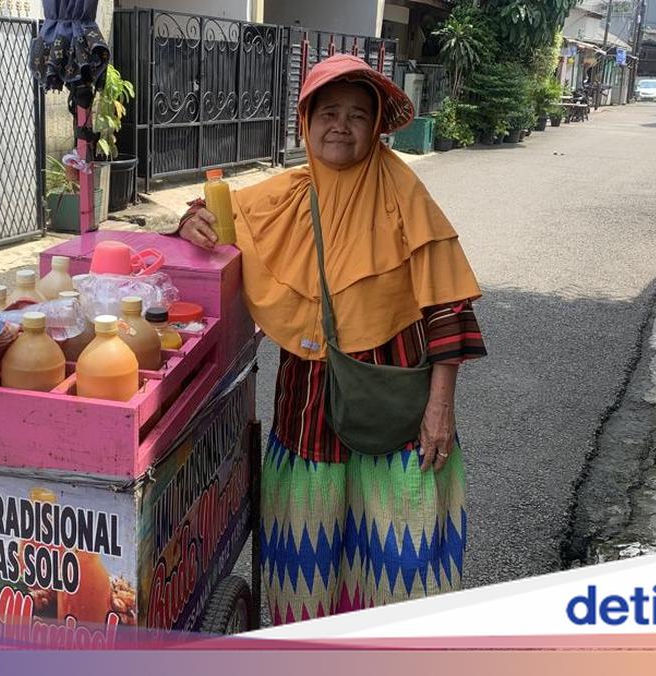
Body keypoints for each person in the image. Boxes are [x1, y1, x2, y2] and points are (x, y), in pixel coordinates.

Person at [174, 54, 487, 624]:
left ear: (376, 128)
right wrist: (191, 221)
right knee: (305, 546)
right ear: (306, 120)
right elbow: (217, 213)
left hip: (391, 402)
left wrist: (441, 409)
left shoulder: (402, 192)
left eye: (358, 115)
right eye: (329, 111)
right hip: (307, 403)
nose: (341, 125)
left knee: (398, 549)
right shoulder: (284, 195)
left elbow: (449, 306)